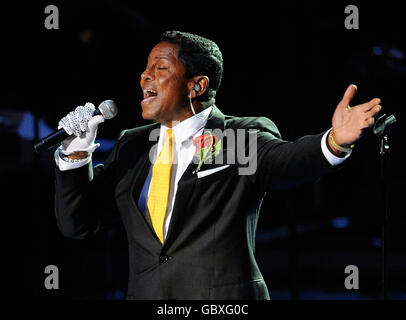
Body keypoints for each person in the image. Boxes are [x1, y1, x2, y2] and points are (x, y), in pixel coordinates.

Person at [54, 30, 381, 300]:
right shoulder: (132, 145)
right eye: (146, 67)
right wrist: (76, 154)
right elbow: (78, 224)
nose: (145, 75)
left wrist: (334, 141)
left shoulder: (238, 137)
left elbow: (289, 160)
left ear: (197, 86)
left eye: (161, 68)